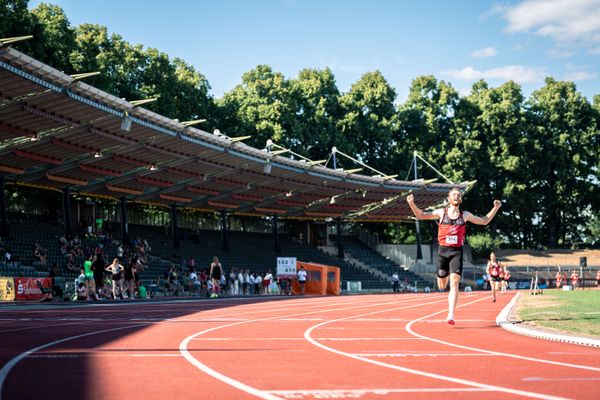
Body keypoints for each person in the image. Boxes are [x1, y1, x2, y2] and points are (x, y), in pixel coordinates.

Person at [407, 188, 501, 325]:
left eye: (458, 195)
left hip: (456, 251)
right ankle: (441, 278)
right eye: (454, 194)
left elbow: (484, 221)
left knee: (455, 281)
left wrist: (495, 208)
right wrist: (411, 204)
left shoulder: (465, 215)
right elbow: (421, 215)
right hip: (443, 251)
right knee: (442, 284)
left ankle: (451, 315)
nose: (456, 196)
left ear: (461, 199)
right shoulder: (441, 212)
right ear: (448, 198)